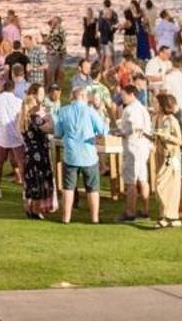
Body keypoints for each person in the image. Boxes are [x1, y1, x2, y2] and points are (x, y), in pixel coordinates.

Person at [53, 82, 107, 225]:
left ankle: (66, 218)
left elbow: (58, 132)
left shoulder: (64, 111)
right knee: (93, 188)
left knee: (68, 187)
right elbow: (102, 131)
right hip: (88, 154)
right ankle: (94, 218)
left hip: (71, 154)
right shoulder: (90, 111)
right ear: (83, 96)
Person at [115, 82, 152, 223]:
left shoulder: (130, 110)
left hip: (133, 147)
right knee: (143, 179)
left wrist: (122, 133)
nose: (122, 97)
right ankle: (145, 210)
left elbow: (132, 127)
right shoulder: (143, 108)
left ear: (132, 95)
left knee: (131, 181)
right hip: (143, 148)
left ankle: (130, 212)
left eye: (124, 95)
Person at [20, 83, 56, 220]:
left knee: (30, 181)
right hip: (39, 153)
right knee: (39, 181)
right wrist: (48, 117)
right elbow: (49, 129)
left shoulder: (23, 118)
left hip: (29, 153)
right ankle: (35, 210)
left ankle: (28, 208)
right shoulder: (34, 118)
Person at [151, 91, 182, 228]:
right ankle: (166, 216)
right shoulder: (156, 118)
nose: (153, 104)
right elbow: (155, 137)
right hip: (160, 154)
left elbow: (179, 140)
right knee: (165, 185)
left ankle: (170, 215)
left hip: (171, 155)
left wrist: (165, 136)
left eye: (156, 102)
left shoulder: (172, 120)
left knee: (162, 184)